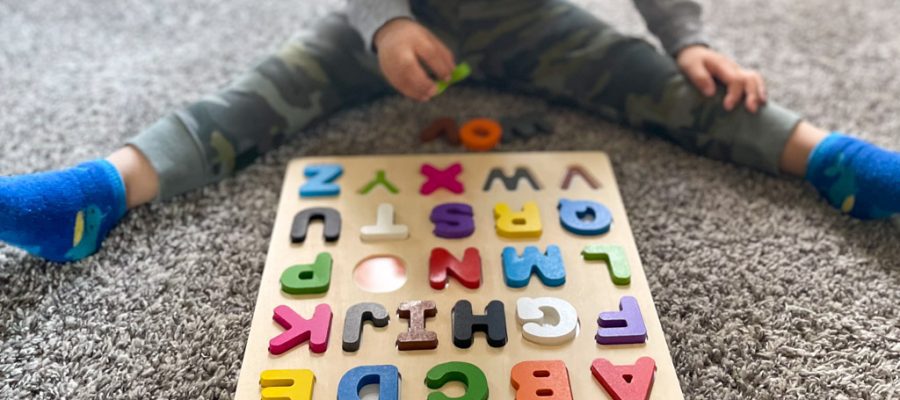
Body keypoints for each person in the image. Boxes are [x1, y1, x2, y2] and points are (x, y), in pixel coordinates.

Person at [1, 0, 898, 263]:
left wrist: (690, 40)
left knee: (662, 81)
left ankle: (831, 160)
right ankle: (102, 191)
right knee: (262, 90)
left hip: (531, 20)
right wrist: (386, 24)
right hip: (393, 19)